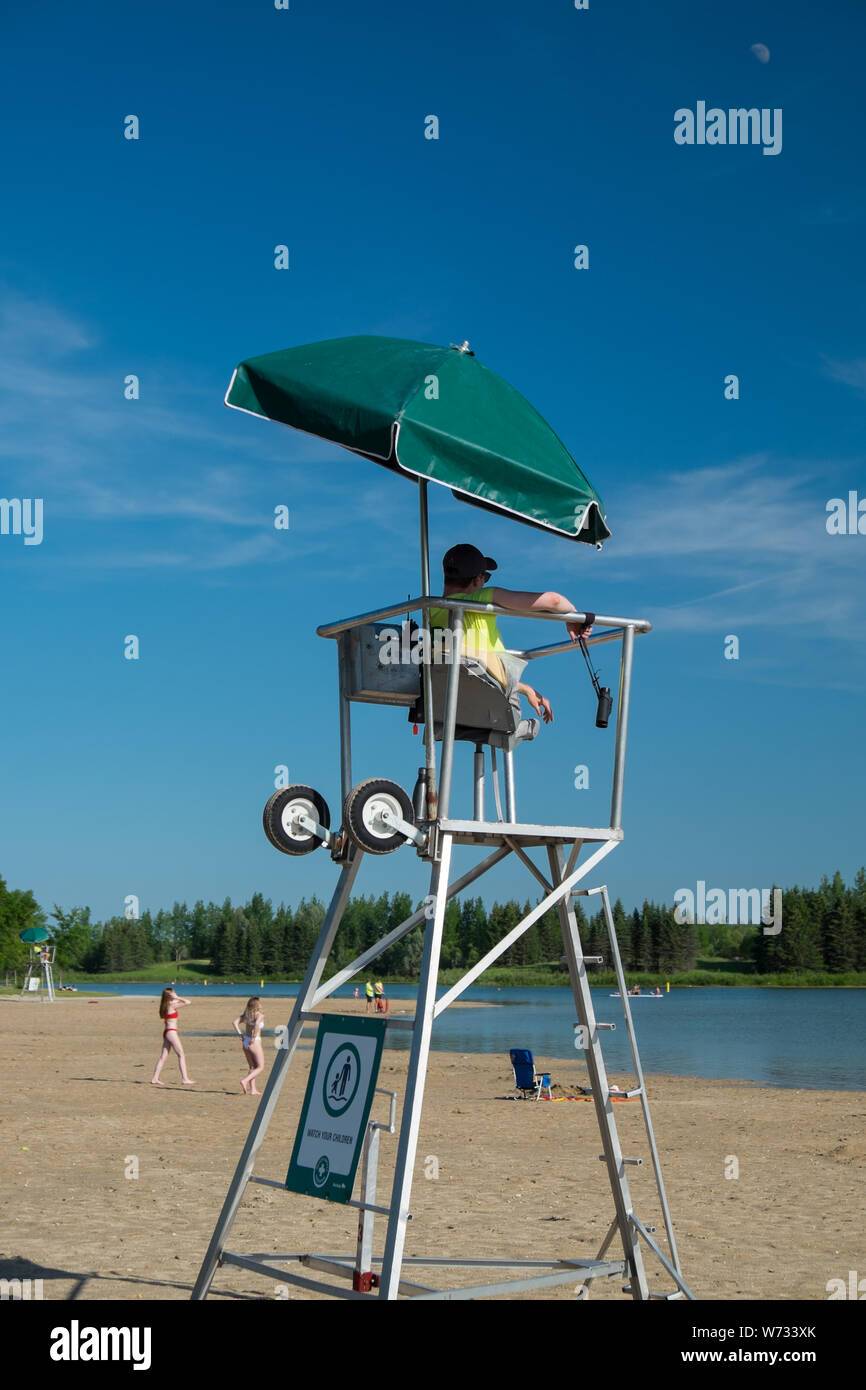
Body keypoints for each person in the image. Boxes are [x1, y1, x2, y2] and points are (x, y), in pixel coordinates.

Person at [428, 544, 593, 722]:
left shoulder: (430, 610)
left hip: (443, 705)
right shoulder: (481, 598)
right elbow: (553, 601)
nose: (485, 583)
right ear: (477, 580)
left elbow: (467, 669)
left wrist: (526, 689)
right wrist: (574, 616)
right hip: (491, 708)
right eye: (486, 577)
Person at [151, 988, 195, 1085]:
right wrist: (177, 997)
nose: (175, 993)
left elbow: (179, 1001)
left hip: (167, 1032)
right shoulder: (172, 1005)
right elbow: (188, 1002)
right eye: (173, 993)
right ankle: (185, 1079)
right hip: (171, 1032)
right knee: (181, 1054)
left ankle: (155, 1078)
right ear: (170, 996)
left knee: (163, 1056)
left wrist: (175, 997)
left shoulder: (166, 1004)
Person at [233, 997, 265, 1095]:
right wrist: (254, 1036)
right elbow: (256, 1024)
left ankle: (253, 1089)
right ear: (257, 1005)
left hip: (245, 1041)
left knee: (252, 1066)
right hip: (254, 1042)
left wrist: (240, 1034)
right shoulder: (259, 1015)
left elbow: (234, 1023)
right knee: (260, 1067)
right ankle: (245, 1080)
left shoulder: (246, 1015)